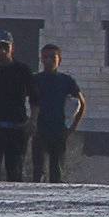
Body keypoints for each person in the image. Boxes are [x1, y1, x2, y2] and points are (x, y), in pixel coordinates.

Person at [0, 32, 39, 181]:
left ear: (12, 48)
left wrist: (32, 121)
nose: (2, 51)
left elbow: (34, 98)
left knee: (15, 173)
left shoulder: (23, 70)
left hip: (16, 127)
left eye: (5, 47)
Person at [30, 42, 86, 183]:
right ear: (41, 59)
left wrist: (72, 128)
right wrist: (31, 122)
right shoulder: (36, 79)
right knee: (38, 171)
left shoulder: (66, 81)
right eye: (45, 57)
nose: (48, 60)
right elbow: (30, 102)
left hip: (58, 130)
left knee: (57, 171)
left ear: (59, 60)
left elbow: (82, 103)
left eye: (52, 57)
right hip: (40, 129)